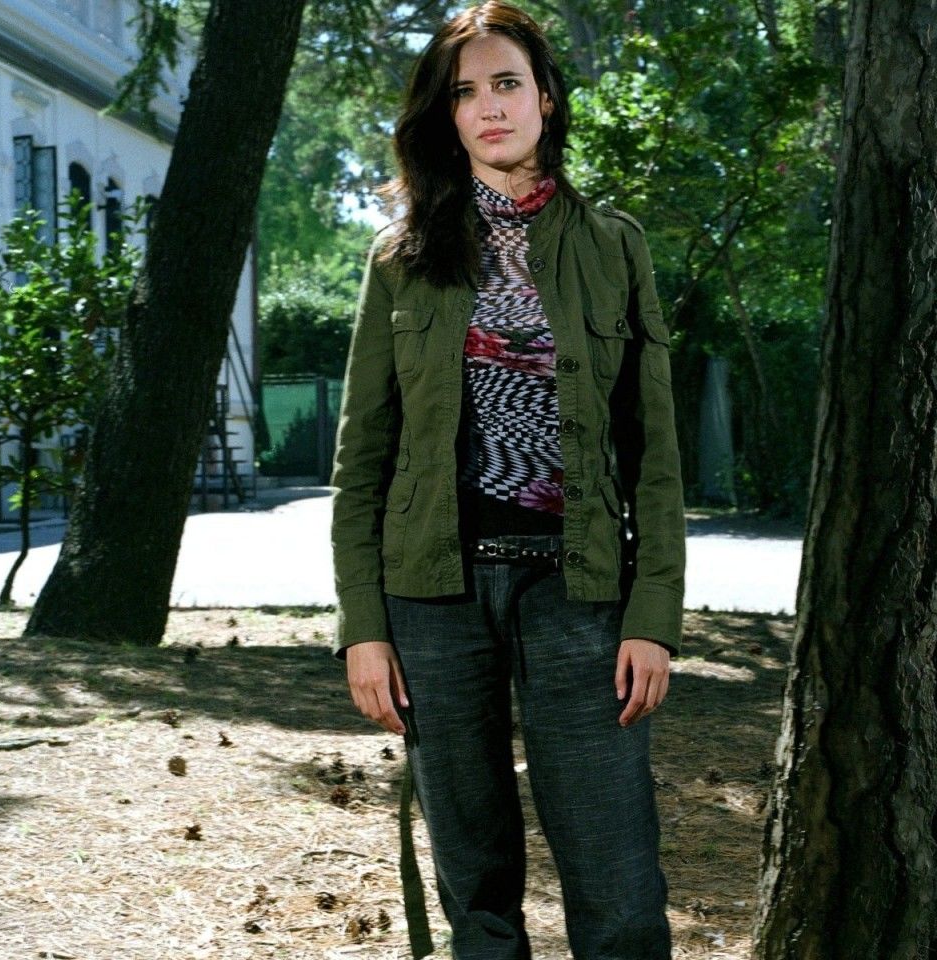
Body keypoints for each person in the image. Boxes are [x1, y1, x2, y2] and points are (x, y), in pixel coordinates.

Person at [327, 2, 687, 958]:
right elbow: (362, 460)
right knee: (477, 893)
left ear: (546, 97)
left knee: (618, 885)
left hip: (578, 592)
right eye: (465, 92)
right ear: (444, 117)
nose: (489, 107)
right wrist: (364, 628)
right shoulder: (401, 259)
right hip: (432, 598)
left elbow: (653, 452)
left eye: (507, 83)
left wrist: (652, 616)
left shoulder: (614, 245)